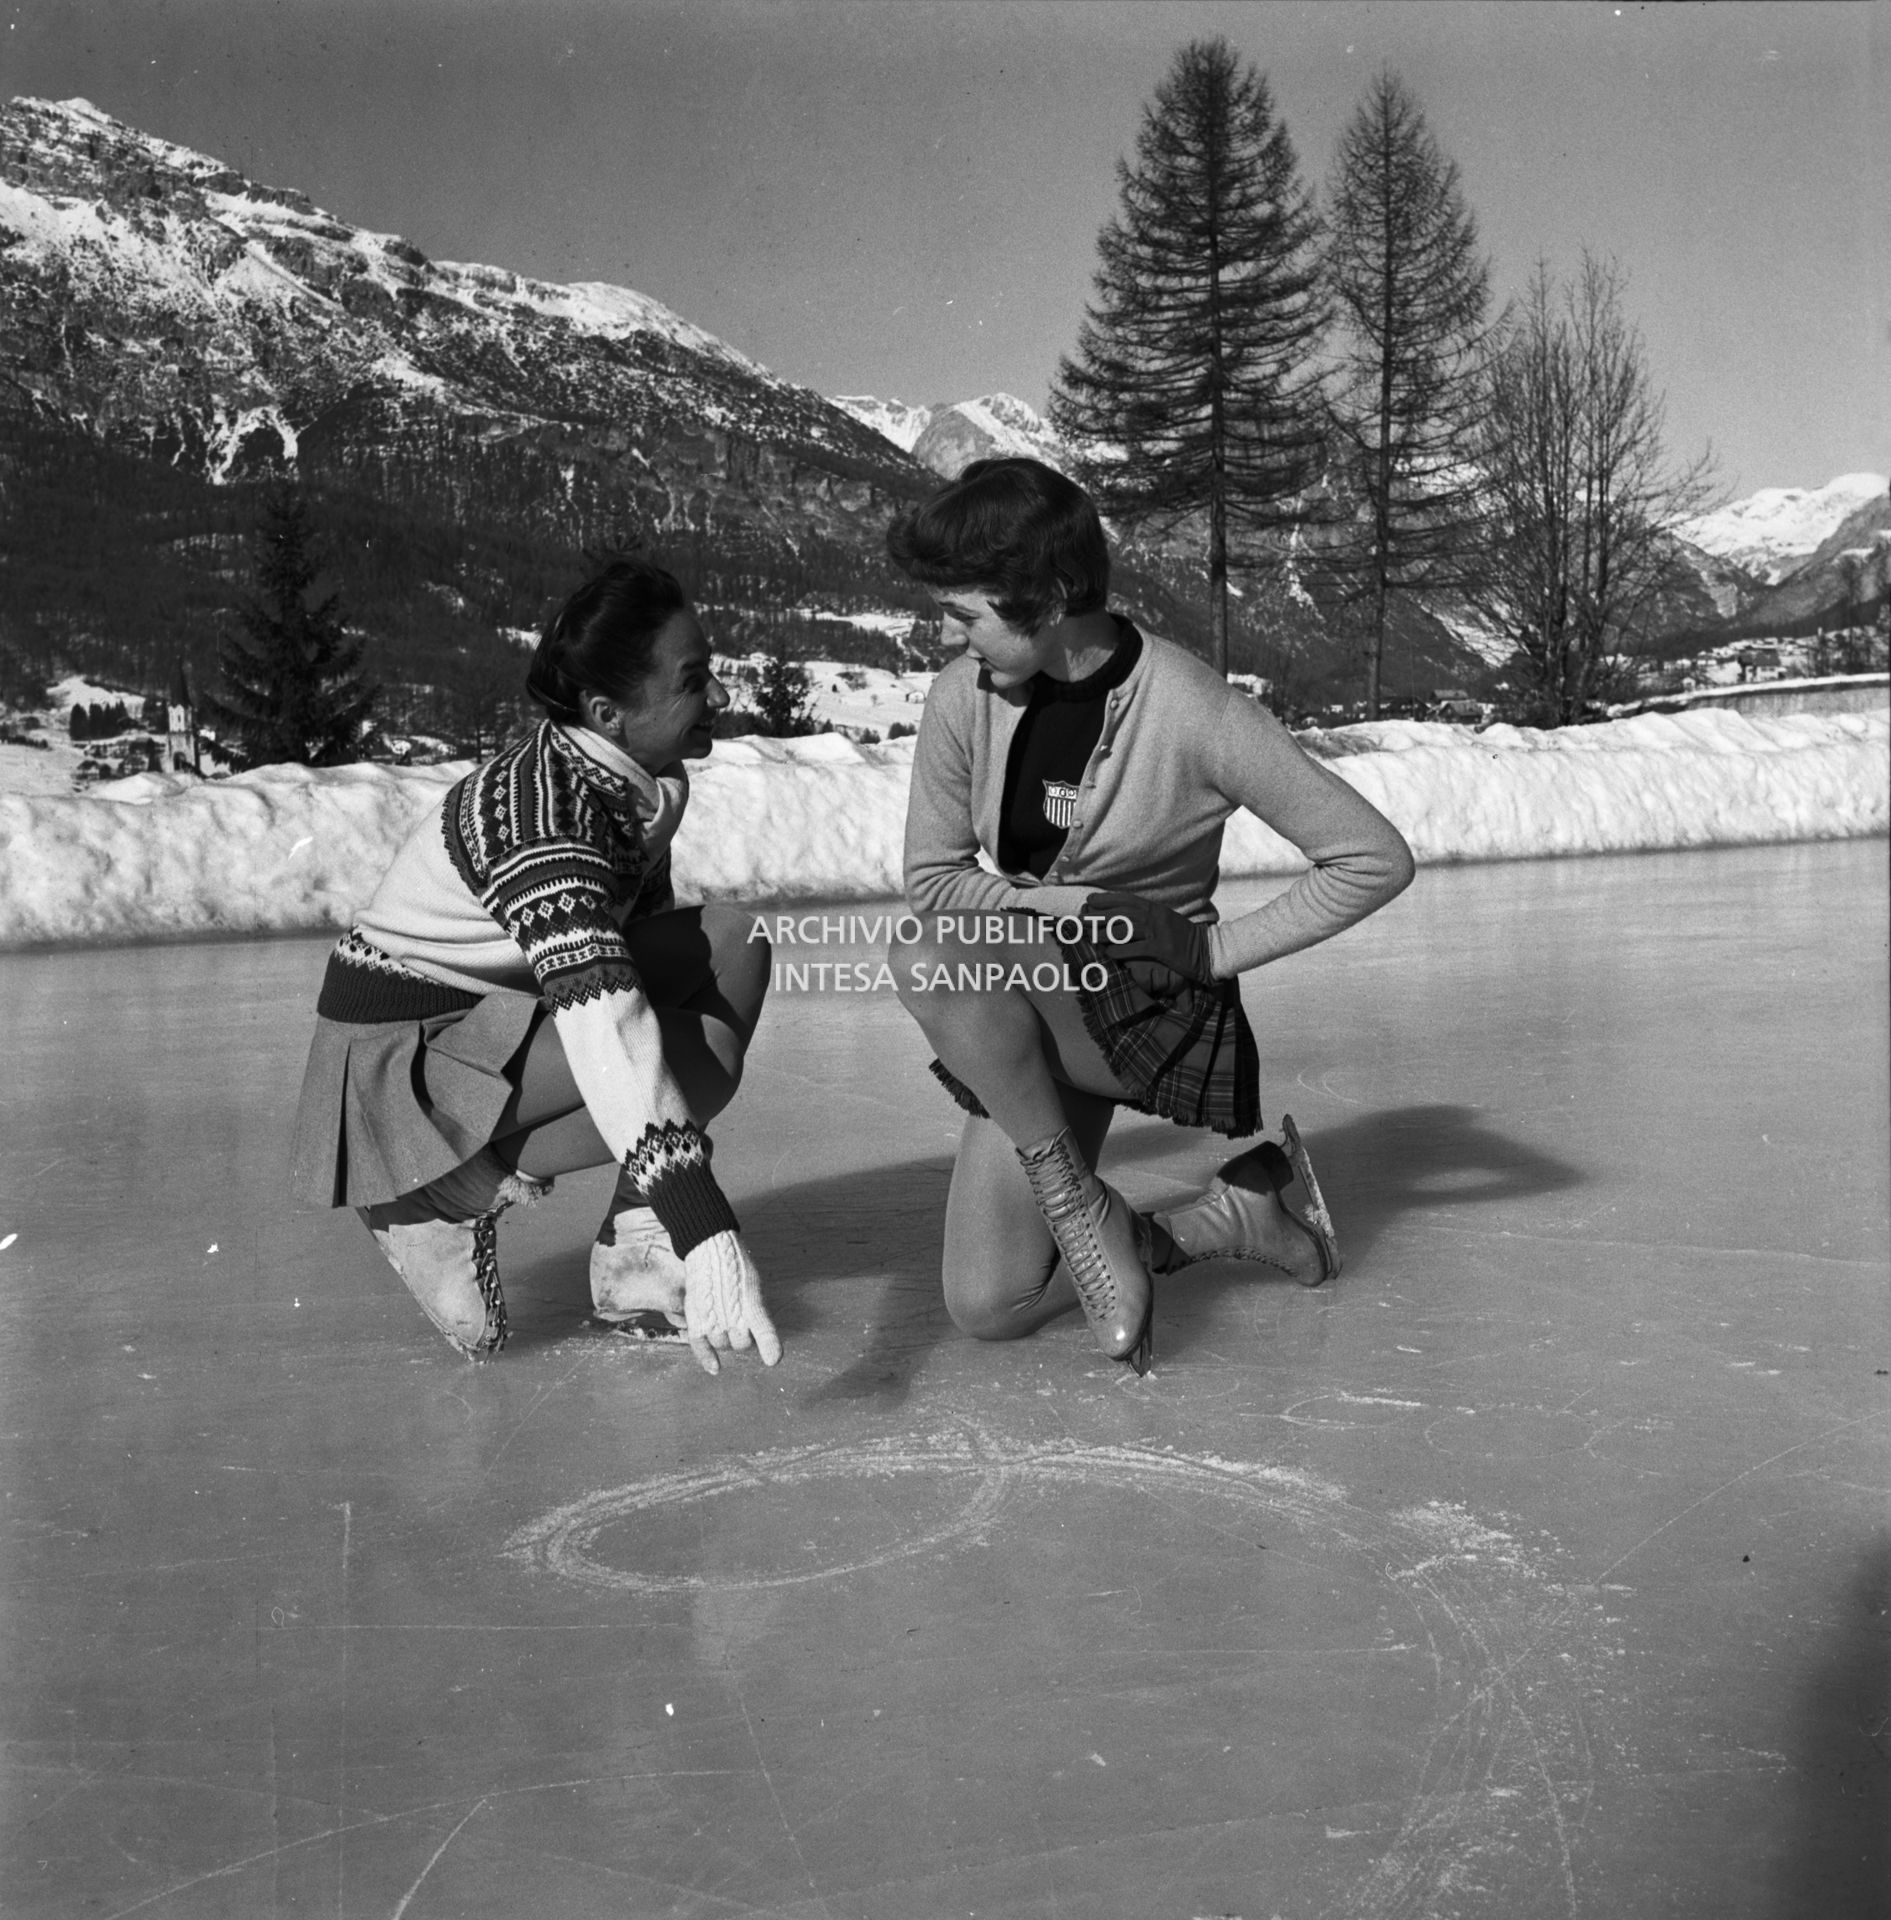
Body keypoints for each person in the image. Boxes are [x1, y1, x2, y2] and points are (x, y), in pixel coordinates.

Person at [887, 458, 1416, 1374]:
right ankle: (1226, 1220)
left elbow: (1372, 857)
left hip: (1152, 1006)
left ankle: (1071, 1198)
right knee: (990, 1304)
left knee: (929, 958)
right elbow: (933, 879)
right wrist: (1082, 907)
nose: (945, 633)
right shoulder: (959, 697)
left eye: (963, 611)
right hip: (1034, 993)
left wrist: (1212, 951)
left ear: (1046, 599)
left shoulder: (1192, 708)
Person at [289, 557, 779, 1376]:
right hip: (403, 1053)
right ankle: (438, 1192)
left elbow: (637, 936)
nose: (721, 698)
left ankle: (637, 1247)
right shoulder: (541, 817)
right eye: (695, 680)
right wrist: (708, 1229)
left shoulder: (631, 778)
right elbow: (607, 1024)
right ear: (607, 712)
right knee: (693, 1066)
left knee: (733, 944)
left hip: (497, 1017)